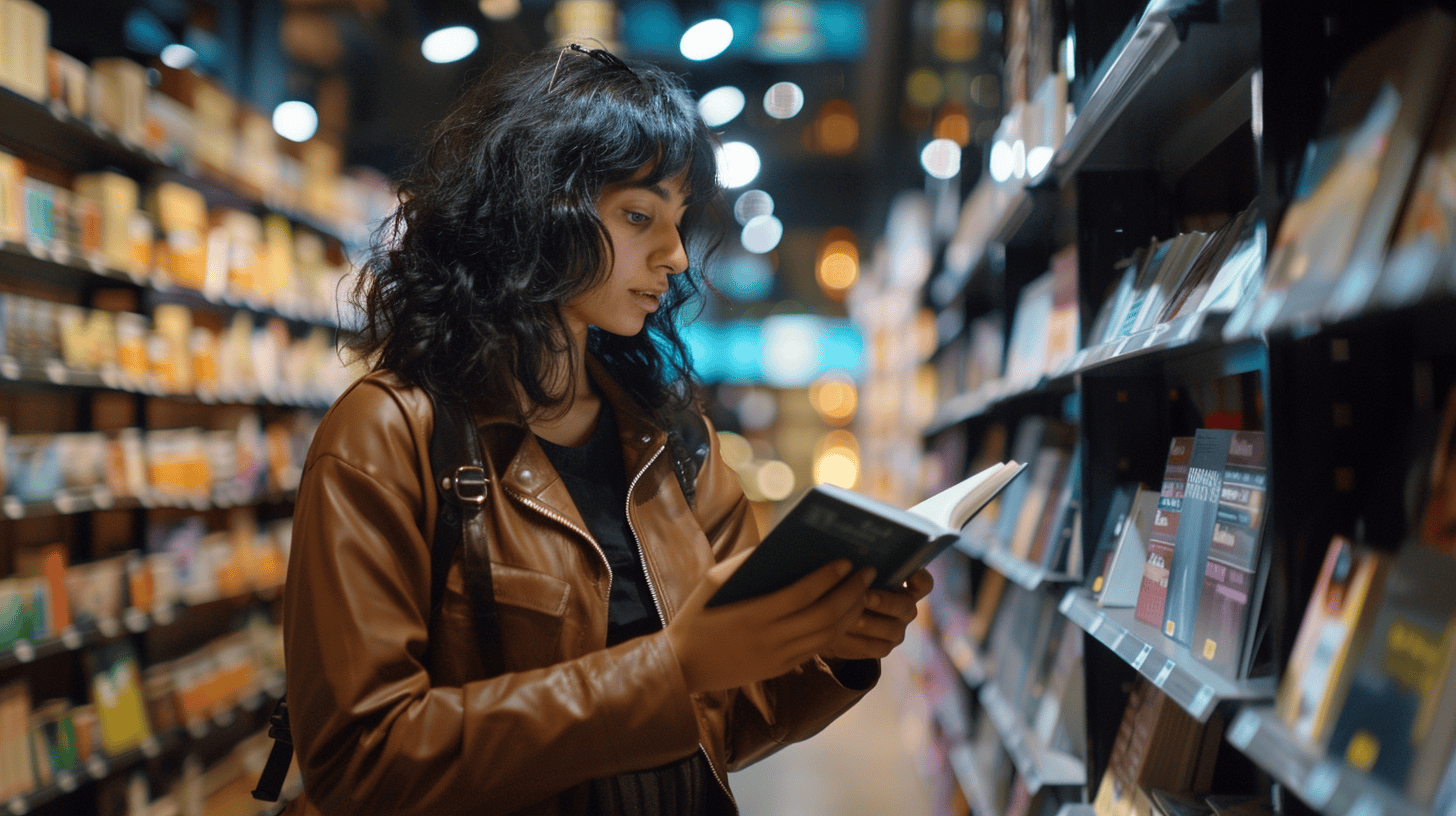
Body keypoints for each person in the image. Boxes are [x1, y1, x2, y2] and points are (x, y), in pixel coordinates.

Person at [281, 43, 933, 816]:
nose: (677, 255)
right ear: (535, 211)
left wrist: (833, 648)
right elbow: (362, 762)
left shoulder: (673, 440)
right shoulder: (388, 436)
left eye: (680, 221)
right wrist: (673, 668)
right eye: (637, 216)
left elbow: (729, 715)